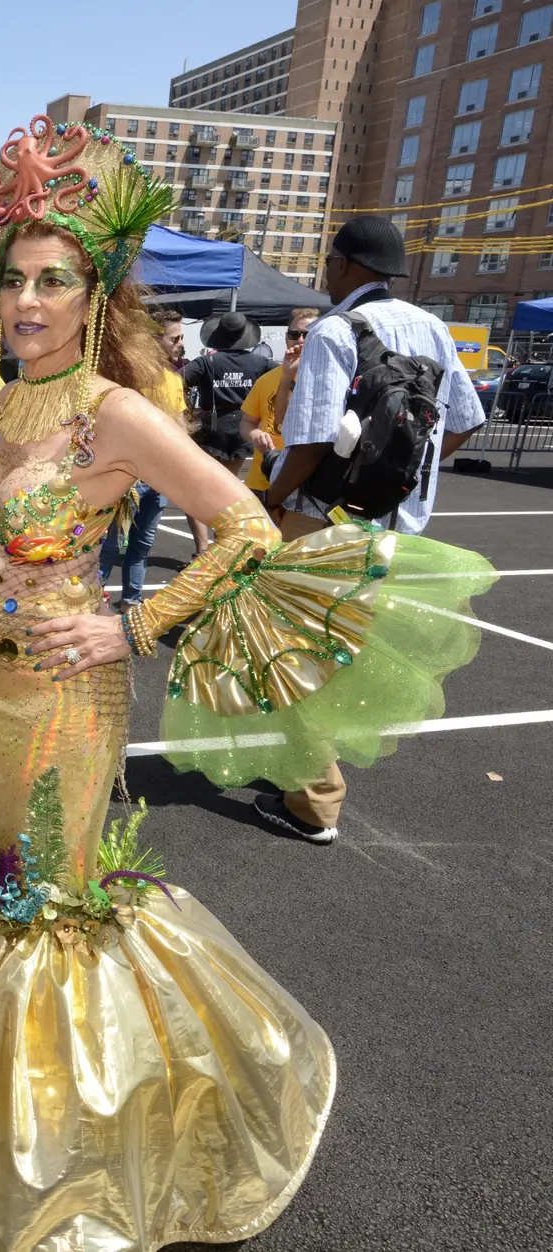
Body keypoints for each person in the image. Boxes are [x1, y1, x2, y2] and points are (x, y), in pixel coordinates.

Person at [0, 114, 493, 1250]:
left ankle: (54, 1161)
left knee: (49, 910)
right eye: (13, 281)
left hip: (67, 701)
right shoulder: (10, 401)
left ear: (96, 292)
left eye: (53, 281)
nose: (25, 302)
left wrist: (134, 627)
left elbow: (245, 525)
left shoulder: (116, 411)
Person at [260, 217, 485, 845]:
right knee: (342, 647)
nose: (327, 274)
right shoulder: (433, 327)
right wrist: (404, 475)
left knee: (296, 652)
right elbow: (467, 420)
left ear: (349, 266)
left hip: (323, 520)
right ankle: (305, 763)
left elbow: (305, 442)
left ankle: (314, 800)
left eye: (330, 262)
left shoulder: (337, 330)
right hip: (396, 525)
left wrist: (267, 502)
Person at [97, 308, 187, 611]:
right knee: (110, 544)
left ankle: (132, 602)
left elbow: (180, 426)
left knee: (142, 545)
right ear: (152, 340)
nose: (179, 344)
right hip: (128, 477)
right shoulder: (127, 377)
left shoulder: (173, 379)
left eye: (181, 337)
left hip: (160, 478)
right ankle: (91, 601)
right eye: (174, 338)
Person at [181, 309, 273, 554]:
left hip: (212, 428)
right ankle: (224, 544)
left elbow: (174, 382)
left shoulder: (206, 362)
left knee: (196, 490)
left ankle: (202, 548)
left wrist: (189, 410)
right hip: (244, 428)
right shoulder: (261, 362)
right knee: (229, 488)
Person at [241, 306, 321, 503]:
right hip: (261, 479)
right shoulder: (267, 380)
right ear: (287, 337)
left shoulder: (325, 380)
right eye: (294, 334)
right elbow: (246, 422)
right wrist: (255, 434)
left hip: (304, 486)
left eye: (307, 334)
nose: (300, 340)